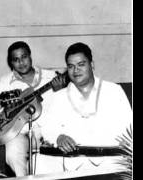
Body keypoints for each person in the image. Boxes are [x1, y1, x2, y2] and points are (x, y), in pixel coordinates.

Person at [34, 42, 133, 174]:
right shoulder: (59, 96)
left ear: (92, 65)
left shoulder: (114, 91)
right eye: (71, 66)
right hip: (72, 162)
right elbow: (48, 128)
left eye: (81, 64)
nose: (76, 71)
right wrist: (59, 137)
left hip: (110, 161)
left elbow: (128, 128)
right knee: (37, 162)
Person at [0, 41, 67, 176]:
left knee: (51, 164)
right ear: (11, 63)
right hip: (19, 133)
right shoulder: (5, 81)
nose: (21, 62)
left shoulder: (51, 76)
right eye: (16, 59)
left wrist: (60, 91)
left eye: (24, 57)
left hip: (48, 132)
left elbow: (65, 107)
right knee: (12, 152)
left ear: (30, 56)